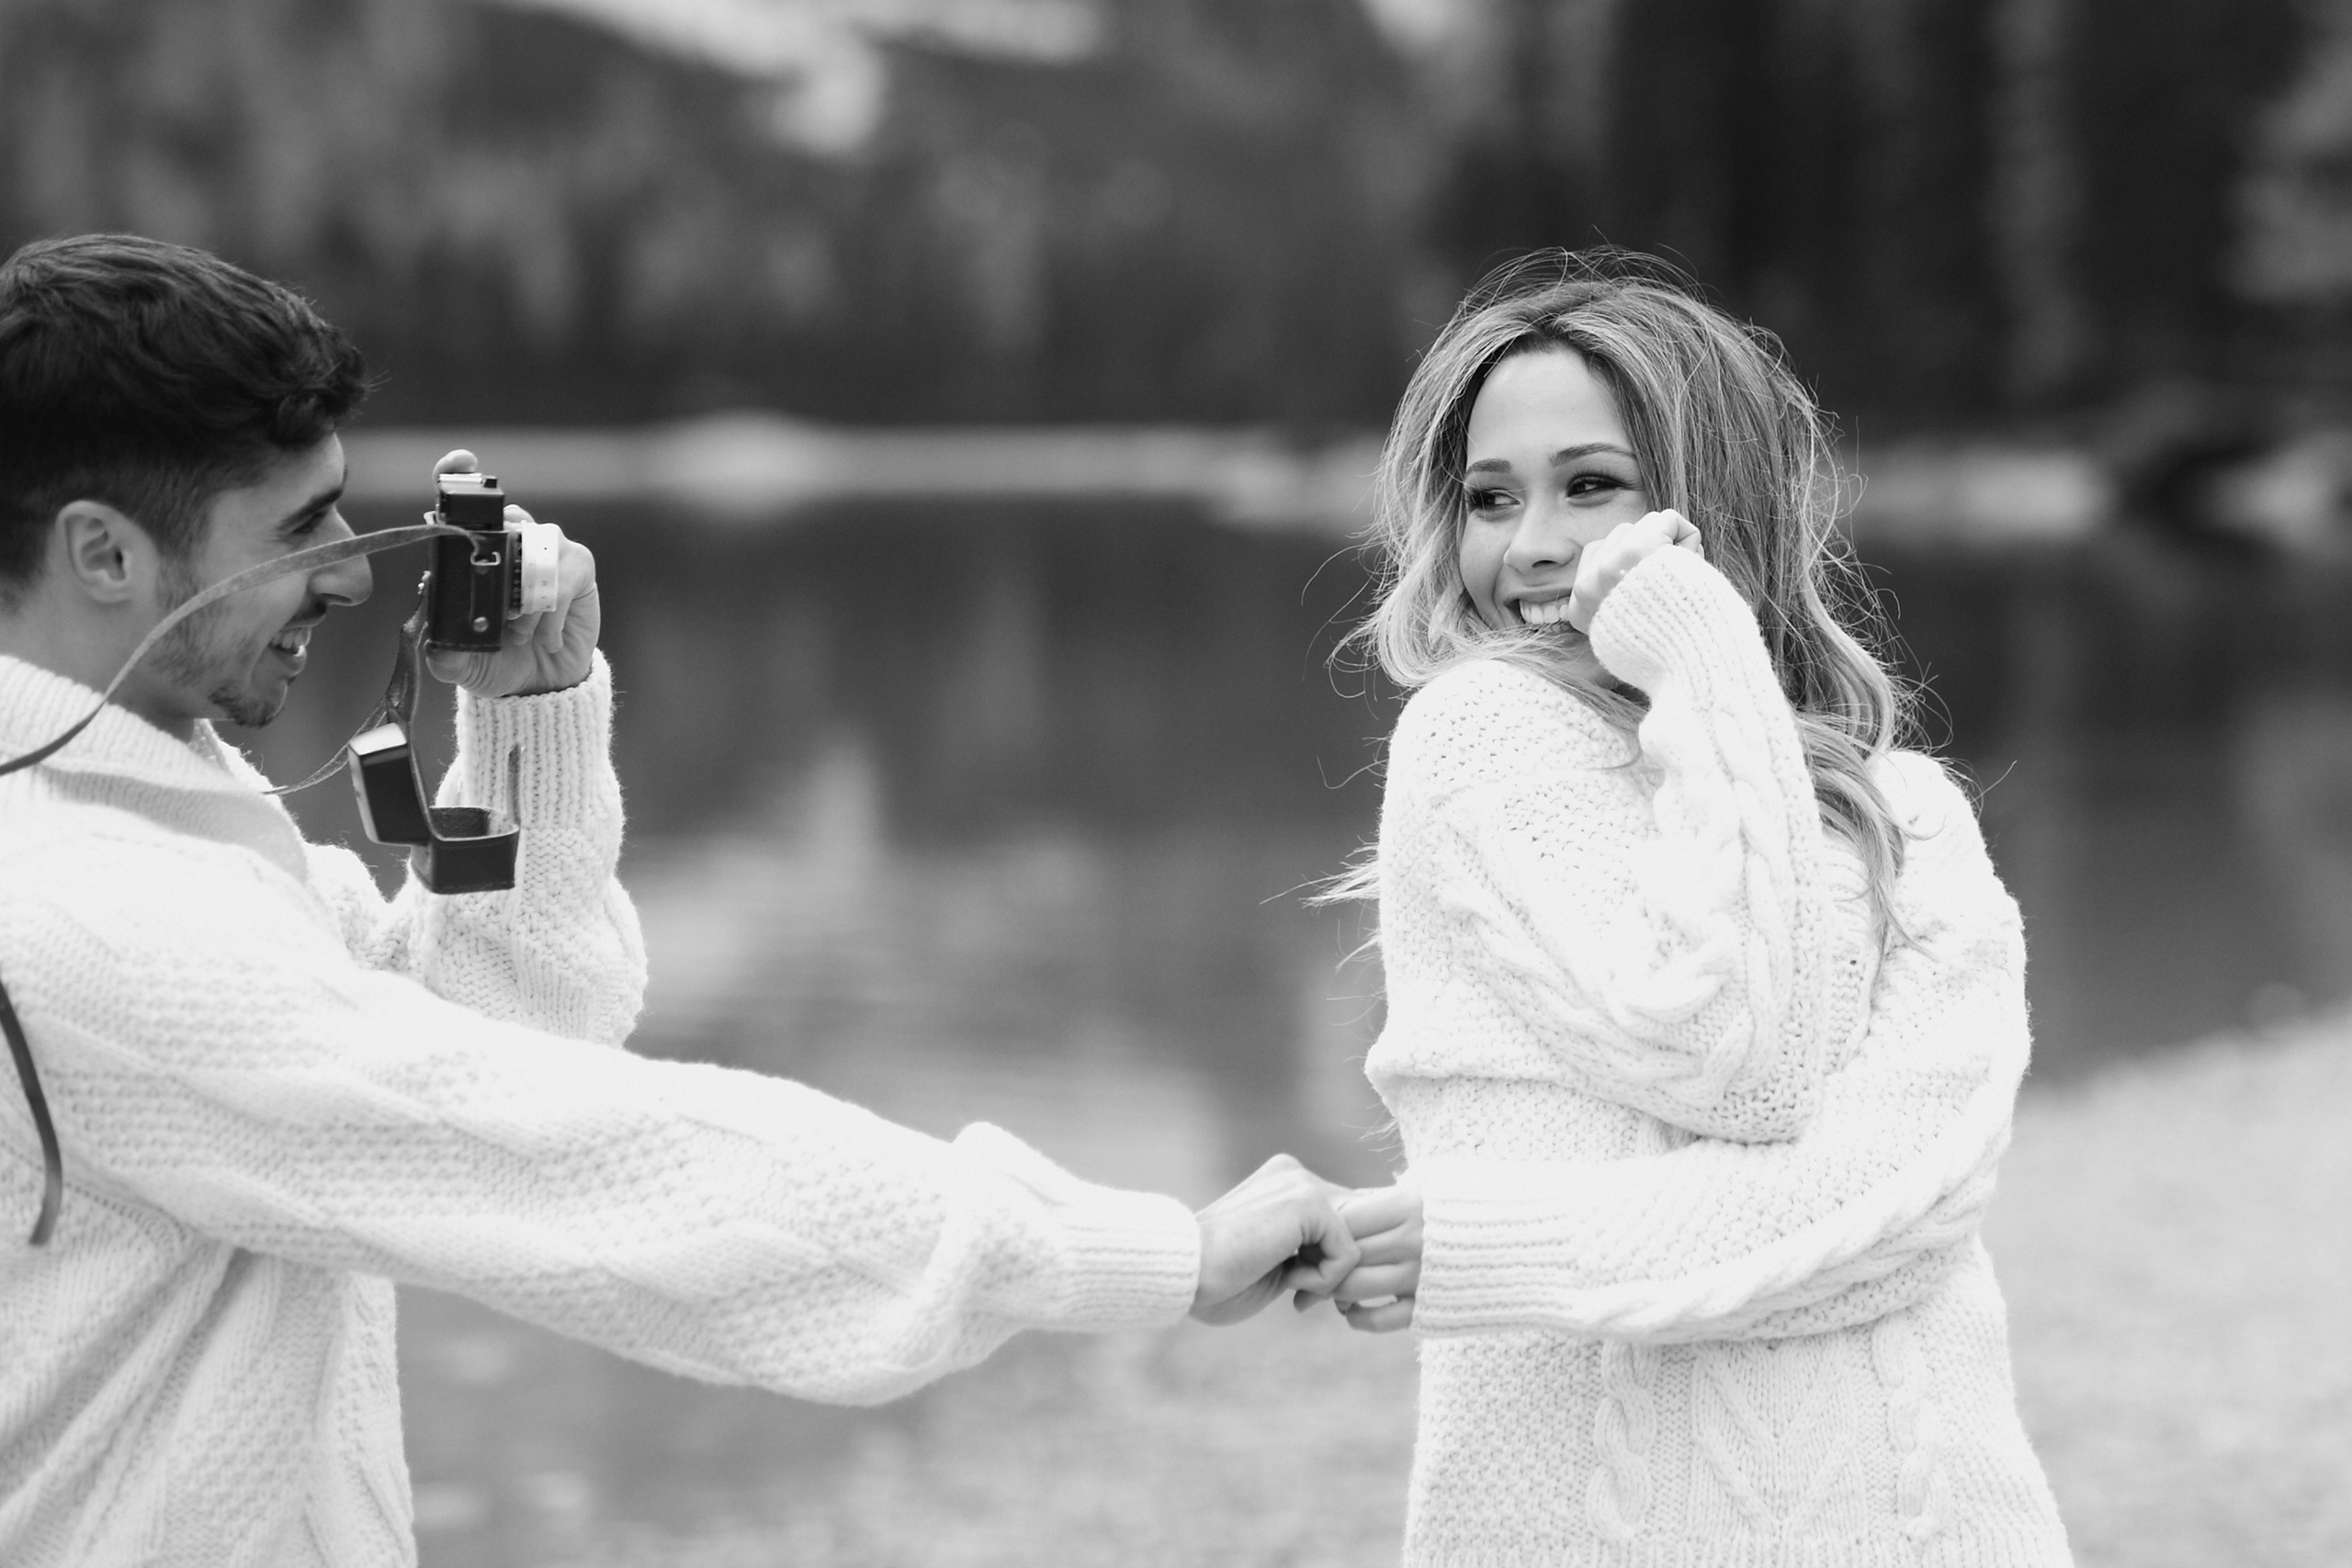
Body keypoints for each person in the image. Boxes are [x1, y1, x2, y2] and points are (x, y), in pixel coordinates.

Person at [0, 233, 1358, 1566]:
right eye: (302, 530)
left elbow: (497, 1040)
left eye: (355, 511)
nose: (357, 570)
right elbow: (590, 1165)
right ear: (104, 557)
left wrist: (530, 726)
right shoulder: (82, 919)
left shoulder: (147, 803)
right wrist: (1155, 1253)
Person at [1311, 252, 2075, 1564]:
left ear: (1714, 506)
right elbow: (1738, 1065)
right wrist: (1706, 663)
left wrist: (1501, 1250)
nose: (1531, 544)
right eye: (1490, 497)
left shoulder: (1914, 816)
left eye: (1592, 486)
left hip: (1932, 1526)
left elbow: (1904, 1215)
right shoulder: (1481, 743)